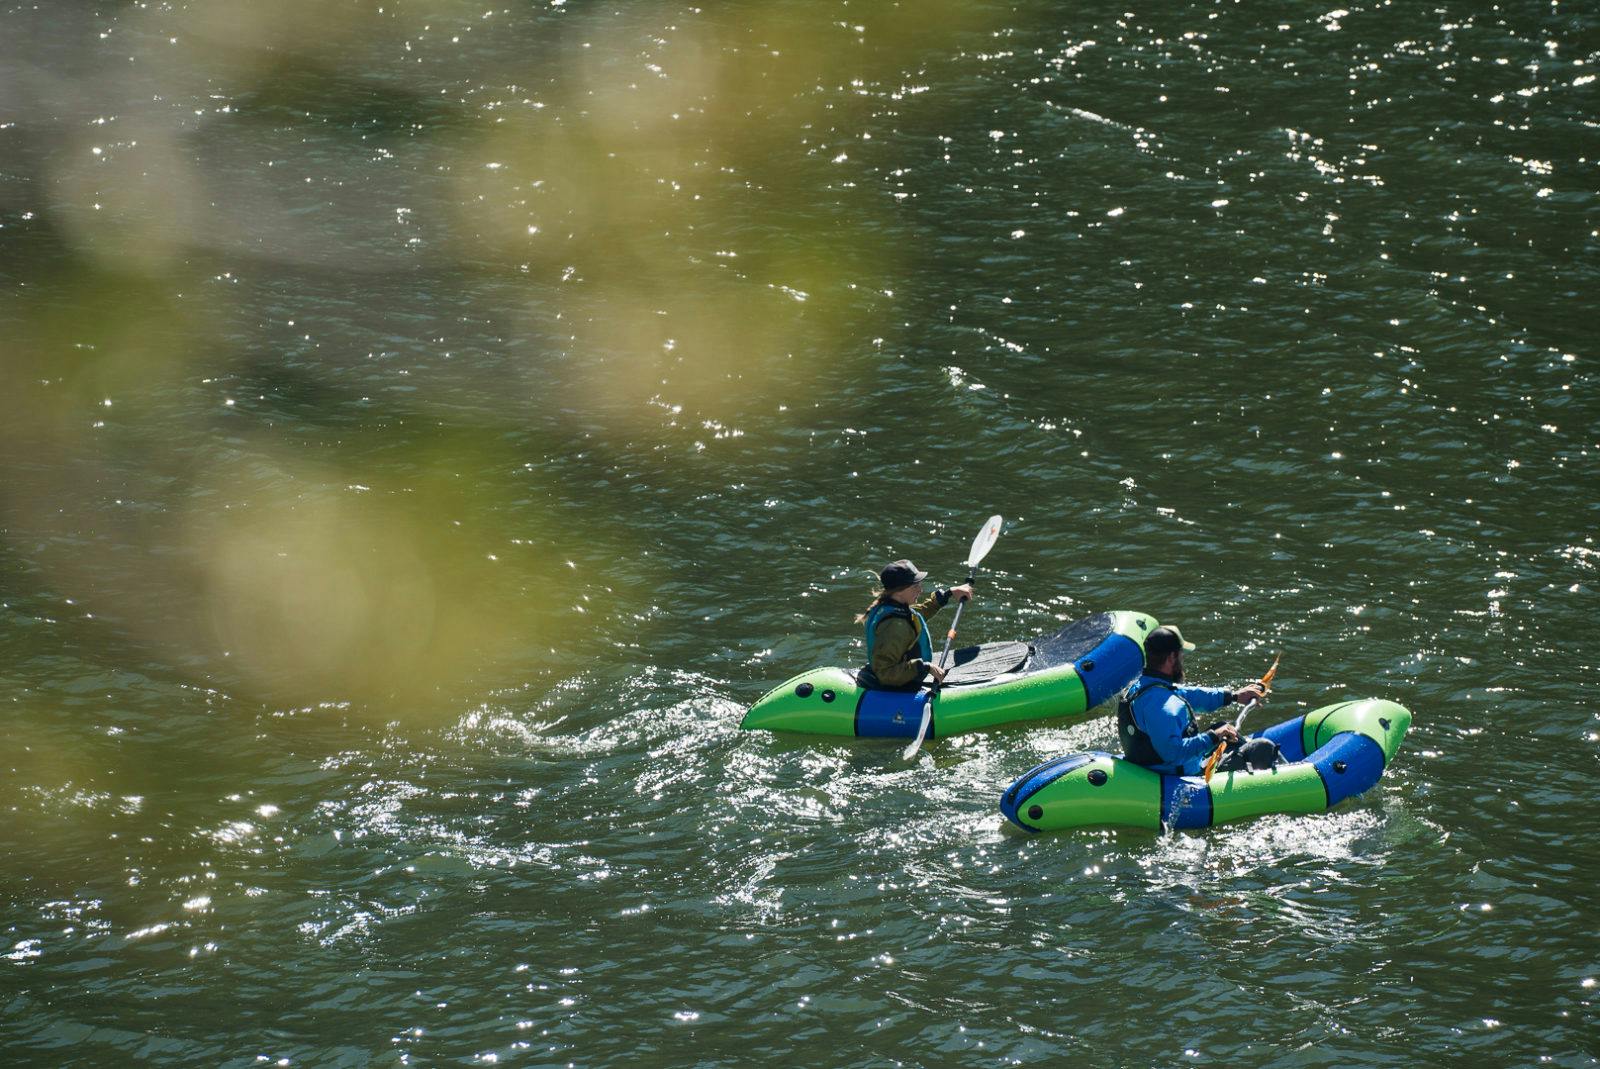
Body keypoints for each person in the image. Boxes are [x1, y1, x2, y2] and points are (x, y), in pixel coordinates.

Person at [1117, 625, 1278, 775]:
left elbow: (1188, 694)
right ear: (1172, 657)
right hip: (1179, 779)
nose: (1182, 659)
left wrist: (1233, 696)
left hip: (1155, 768)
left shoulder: (1141, 687)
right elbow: (1173, 753)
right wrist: (1213, 736)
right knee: (1263, 748)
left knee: (1222, 727)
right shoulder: (1164, 706)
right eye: (1181, 654)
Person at [856, 559, 973, 690]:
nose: (921, 590)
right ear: (900, 591)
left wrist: (948, 593)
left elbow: (917, 615)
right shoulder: (894, 626)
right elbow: (886, 673)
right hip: (895, 685)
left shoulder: (891, 605)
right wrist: (924, 666)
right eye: (915, 586)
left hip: (902, 676)